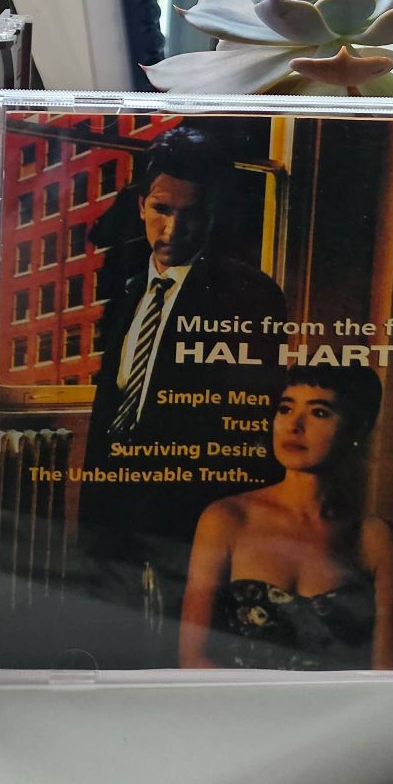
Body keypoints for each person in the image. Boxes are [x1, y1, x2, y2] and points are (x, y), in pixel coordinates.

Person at [65, 128, 290, 667]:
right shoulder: (126, 293)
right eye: (161, 210)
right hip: (114, 508)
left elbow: (247, 425)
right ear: (143, 206)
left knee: (177, 655)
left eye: (192, 214)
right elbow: (112, 402)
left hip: (186, 518)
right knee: (109, 648)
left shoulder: (250, 295)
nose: (173, 229)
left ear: (215, 214)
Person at [177, 364, 393, 670]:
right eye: (285, 409)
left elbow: (386, 673)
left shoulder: (375, 539)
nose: (294, 425)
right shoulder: (227, 519)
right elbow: (194, 657)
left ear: (358, 429)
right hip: (240, 709)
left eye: (319, 412)